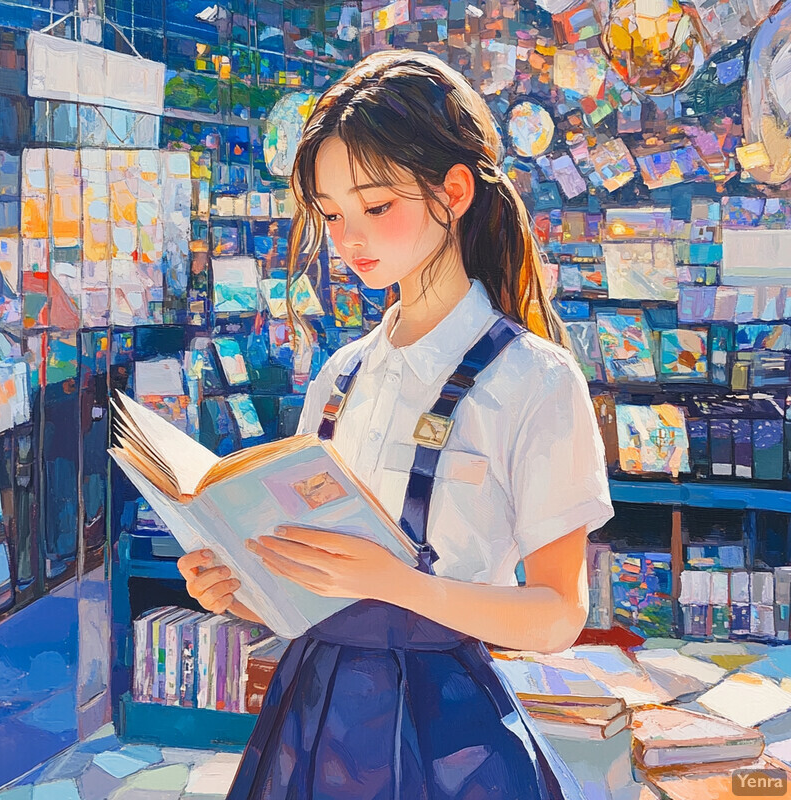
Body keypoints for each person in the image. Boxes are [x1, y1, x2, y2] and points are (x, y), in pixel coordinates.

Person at [177, 49, 615, 799]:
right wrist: (237, 591)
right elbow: (314, 600)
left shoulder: (535, 381)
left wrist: (399, 583)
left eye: (377, 207)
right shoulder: (343, 375)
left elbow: (557, 615)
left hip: (448, 736)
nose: (350, 239)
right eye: (331, 213)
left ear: (454, 190)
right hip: (311, 717)